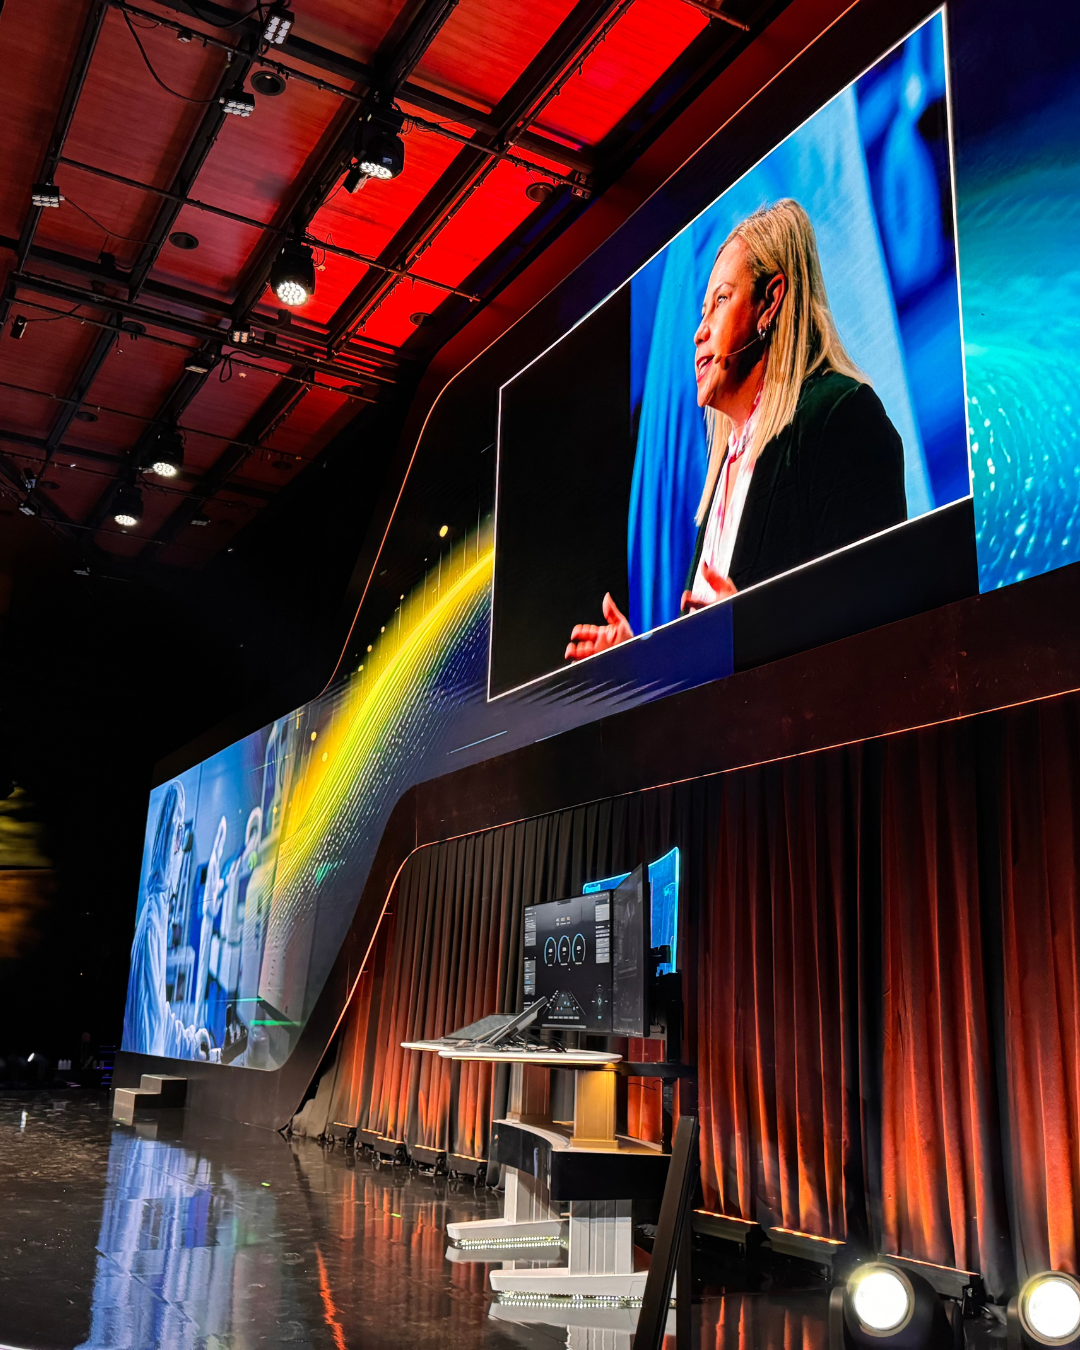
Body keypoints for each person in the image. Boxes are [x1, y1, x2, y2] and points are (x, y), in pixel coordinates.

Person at [565, 199, 907, 661]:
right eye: (702, 310)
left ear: (770, 302)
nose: (698, 332)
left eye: (721, 301)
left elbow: (879, 622)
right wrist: (638, 661)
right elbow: (708, 668)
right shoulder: (725, 469)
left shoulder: (841, 414)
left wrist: (754, 631)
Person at [122, 781, 213, 1060]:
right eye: (177, 836)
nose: (179, 848)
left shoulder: (157, 914)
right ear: (169, 840)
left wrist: (190, 1044)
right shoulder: (151, 925)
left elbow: (158, 1016)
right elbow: (148, 1048)